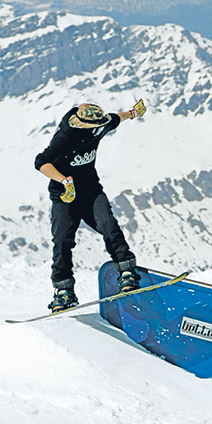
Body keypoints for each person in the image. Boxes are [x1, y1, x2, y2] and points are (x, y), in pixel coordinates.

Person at [36, 99, 144, 312]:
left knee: (108, 225)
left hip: (90, 191)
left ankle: (126, 271)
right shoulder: (65, 136)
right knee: (62, 242)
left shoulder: (100, 124)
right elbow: (41, 162)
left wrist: (132, 112)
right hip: (64, 197)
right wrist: (64, 180)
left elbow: (115, 119)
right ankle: (64, 291)